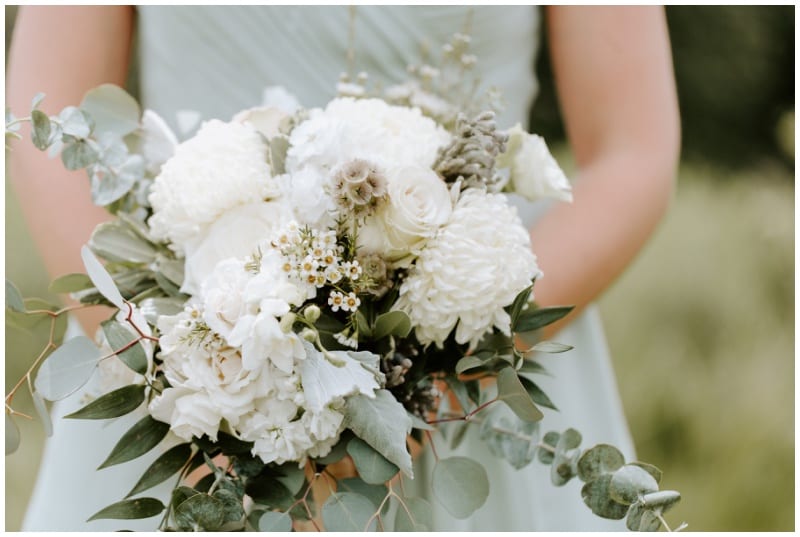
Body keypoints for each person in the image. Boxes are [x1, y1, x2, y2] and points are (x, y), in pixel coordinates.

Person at [7, 5, 680, 531]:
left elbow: (632, 149)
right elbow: (43, 114)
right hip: (187, 378)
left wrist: (427, 386)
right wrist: (165, 362)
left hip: (473, 376)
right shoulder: (171, 368)